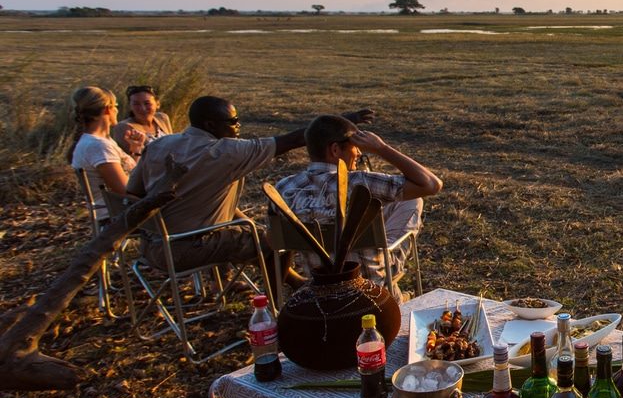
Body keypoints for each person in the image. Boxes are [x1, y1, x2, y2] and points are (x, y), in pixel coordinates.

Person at [126, 95, 374, 279]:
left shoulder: (160, 144)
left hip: (150, 244)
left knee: (240, 224)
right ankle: (292, 290)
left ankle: (225, 281)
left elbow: (133, 192)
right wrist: (342, 124)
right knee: (275, 239)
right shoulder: (225, 152)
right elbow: (295, 139)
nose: (238, 126)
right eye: (233, 121)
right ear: (211, 125)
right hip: (184, 248)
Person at [275, 114, 443, 301]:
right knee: (414, 200)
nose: (359, 153)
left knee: (388, 208)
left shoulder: (283, 188)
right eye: (356, 147)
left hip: (318, 284)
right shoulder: (361, 182)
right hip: (372, 283)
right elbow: (430, 184)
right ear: (336, 149)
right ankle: (395, 298)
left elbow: (276, 243)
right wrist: (381, 148)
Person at [68, 86, 144, 219]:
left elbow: (130, 178)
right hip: (119, 215)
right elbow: (126, 191)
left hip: (122, 210)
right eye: (116, 105)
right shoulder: (98, 146)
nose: (117, 110)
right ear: (108, 109)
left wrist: (136, 150)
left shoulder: (100, 142)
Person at [111, 84, 172, 157]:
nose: (142, 108)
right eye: (136, 104)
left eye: (147, 103)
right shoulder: (124, 127)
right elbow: (129, 160)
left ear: (157, 104)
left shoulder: (162, 118)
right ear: (130, 106)